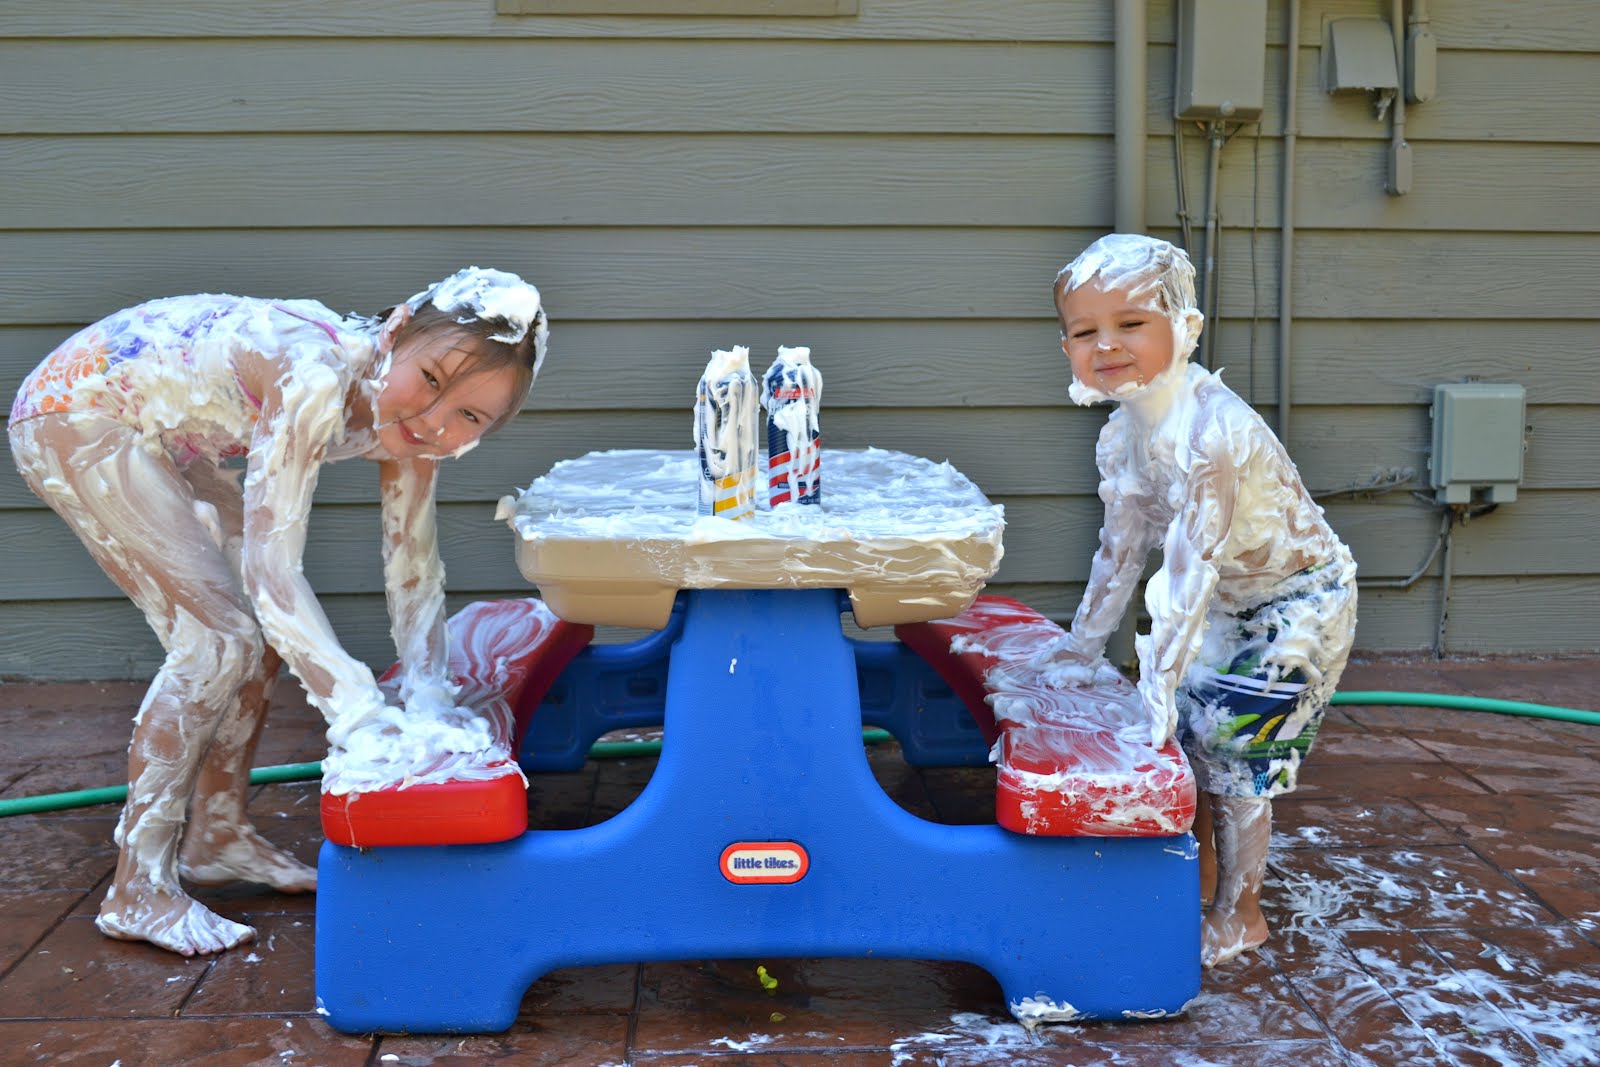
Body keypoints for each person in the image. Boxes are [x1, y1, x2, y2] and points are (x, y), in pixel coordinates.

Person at [7, 267, 549, 957]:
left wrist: (429, 698)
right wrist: (359, 715)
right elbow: (272, 569)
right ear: (394, 333)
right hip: (77, 410)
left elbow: (412, 570)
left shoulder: (417, 433)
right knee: (218, 639)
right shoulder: (316, 376)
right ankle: (137, 887)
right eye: (434, 380)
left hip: (174, 431)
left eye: (472, 416)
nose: (437, 419)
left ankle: (219, 836)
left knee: (258, 637)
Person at [1036, 234, 1357, 966]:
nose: (1107, 345)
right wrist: (1081, 651)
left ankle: (1241, 912)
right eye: (1086, 331)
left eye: (1131, 324)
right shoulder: (1123, 437)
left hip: (1297, 600)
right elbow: (1120, 551)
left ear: (1186, 329)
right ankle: (1200, 879)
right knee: (1192, 733)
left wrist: (1155, 695)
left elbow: (1186, 572)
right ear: (1066, 349)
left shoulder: (1212, 434)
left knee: (1235, 745)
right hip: (1225, 596)